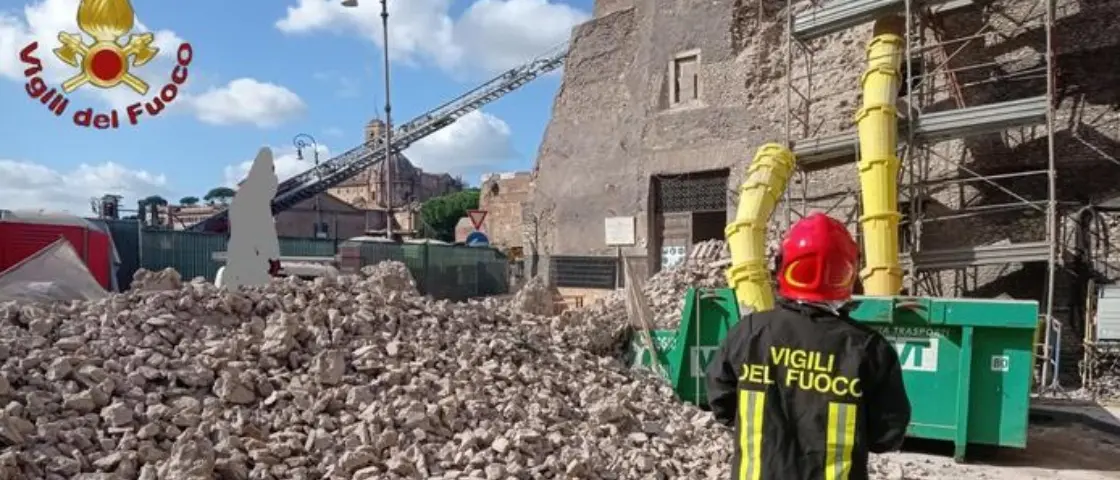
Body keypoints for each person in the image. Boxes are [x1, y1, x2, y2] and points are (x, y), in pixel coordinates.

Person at [706, 212, 911, 480]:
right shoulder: (869, 349)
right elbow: (887, 435)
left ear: (782, 266)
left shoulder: (751, 333)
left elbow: (721, 403)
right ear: (848, 273)